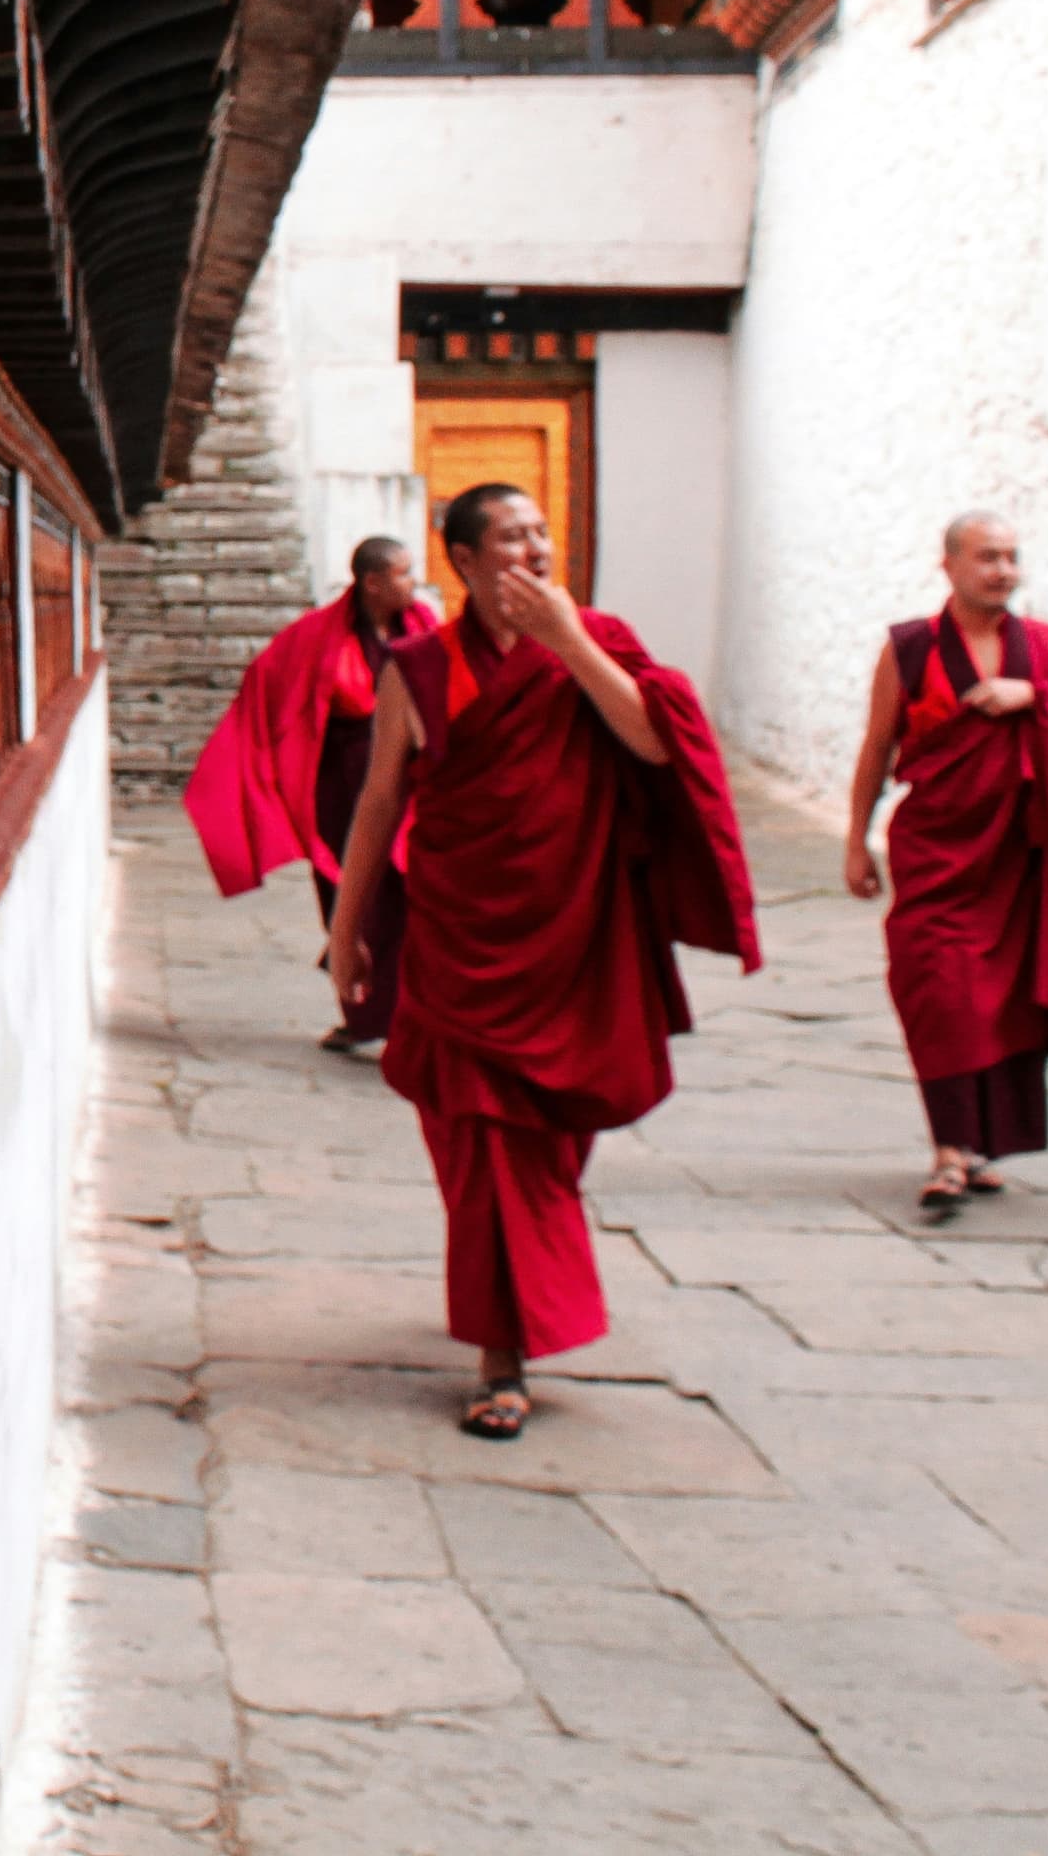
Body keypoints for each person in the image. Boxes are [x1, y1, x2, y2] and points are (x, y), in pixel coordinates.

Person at [325, 484, 756, 1439]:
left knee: (547, 1143)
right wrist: (346, 926)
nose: (535, 550)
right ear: (467, 565)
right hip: (460, 935)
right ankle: (501, 1358)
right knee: (481, 1141)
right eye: (511, 539)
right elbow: (379, 801)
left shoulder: (597, 639)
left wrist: (572, 647)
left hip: (575, 935)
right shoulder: (420, 668)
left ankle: (496, 1293)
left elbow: (653, 740)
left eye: (542, 533)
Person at [840, 512, 1048, 1219]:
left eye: (1010, 556)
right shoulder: (910, 649)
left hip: (1022, 859)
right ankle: (949, 1147)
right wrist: (855, 839)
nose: (1002, 569)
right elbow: (879, 745)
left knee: (1006, 998)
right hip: (939, 851)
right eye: (986, 557)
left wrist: (1034, 696)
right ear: (949, 565)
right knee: (938, 990)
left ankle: (973, 1150)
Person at [182, 536, 438, 1050]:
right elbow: (268, 682)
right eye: (404, 573)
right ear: (372, 582)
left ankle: (413, 1016)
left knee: (409, 897)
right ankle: (363, 1013)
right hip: (342, 787)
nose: (414, 584)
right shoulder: (320, 636)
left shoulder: (426, 626)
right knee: (350, 892)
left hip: (407, 781)